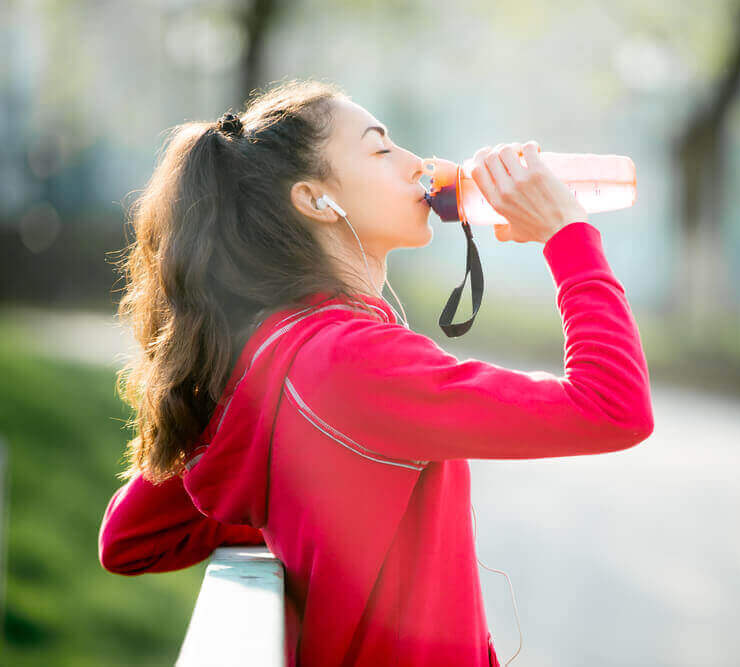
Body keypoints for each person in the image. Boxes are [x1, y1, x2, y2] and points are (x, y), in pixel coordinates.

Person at [97, 78, 655, 667]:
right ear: (316, 200)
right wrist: (567, 237)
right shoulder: (355, 362)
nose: (421, 164)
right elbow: (613, 407)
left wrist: (313, 526)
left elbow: (129, 537)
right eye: (382, 148)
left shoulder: (264, 357)